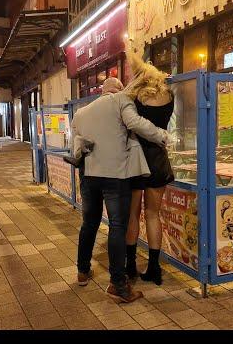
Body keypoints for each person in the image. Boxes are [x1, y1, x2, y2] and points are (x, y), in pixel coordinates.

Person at [71, 77, 169, 303]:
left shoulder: (82, 112)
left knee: (89, 223)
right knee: (117, 226)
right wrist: (162, 135)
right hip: (115, 175)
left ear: (102, 91)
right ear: (117, 89)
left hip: (89, 175)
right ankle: (118, 284)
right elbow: (136, 124)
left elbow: (77, 142)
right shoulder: (121, 100)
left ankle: (82, 271)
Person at [124, 55, 175, 286]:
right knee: (154, 214)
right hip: (158, 159)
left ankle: (131, 266)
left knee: (133, 215)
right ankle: (154, 268)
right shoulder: (169, 96)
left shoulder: (134, 98)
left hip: (136, 160)